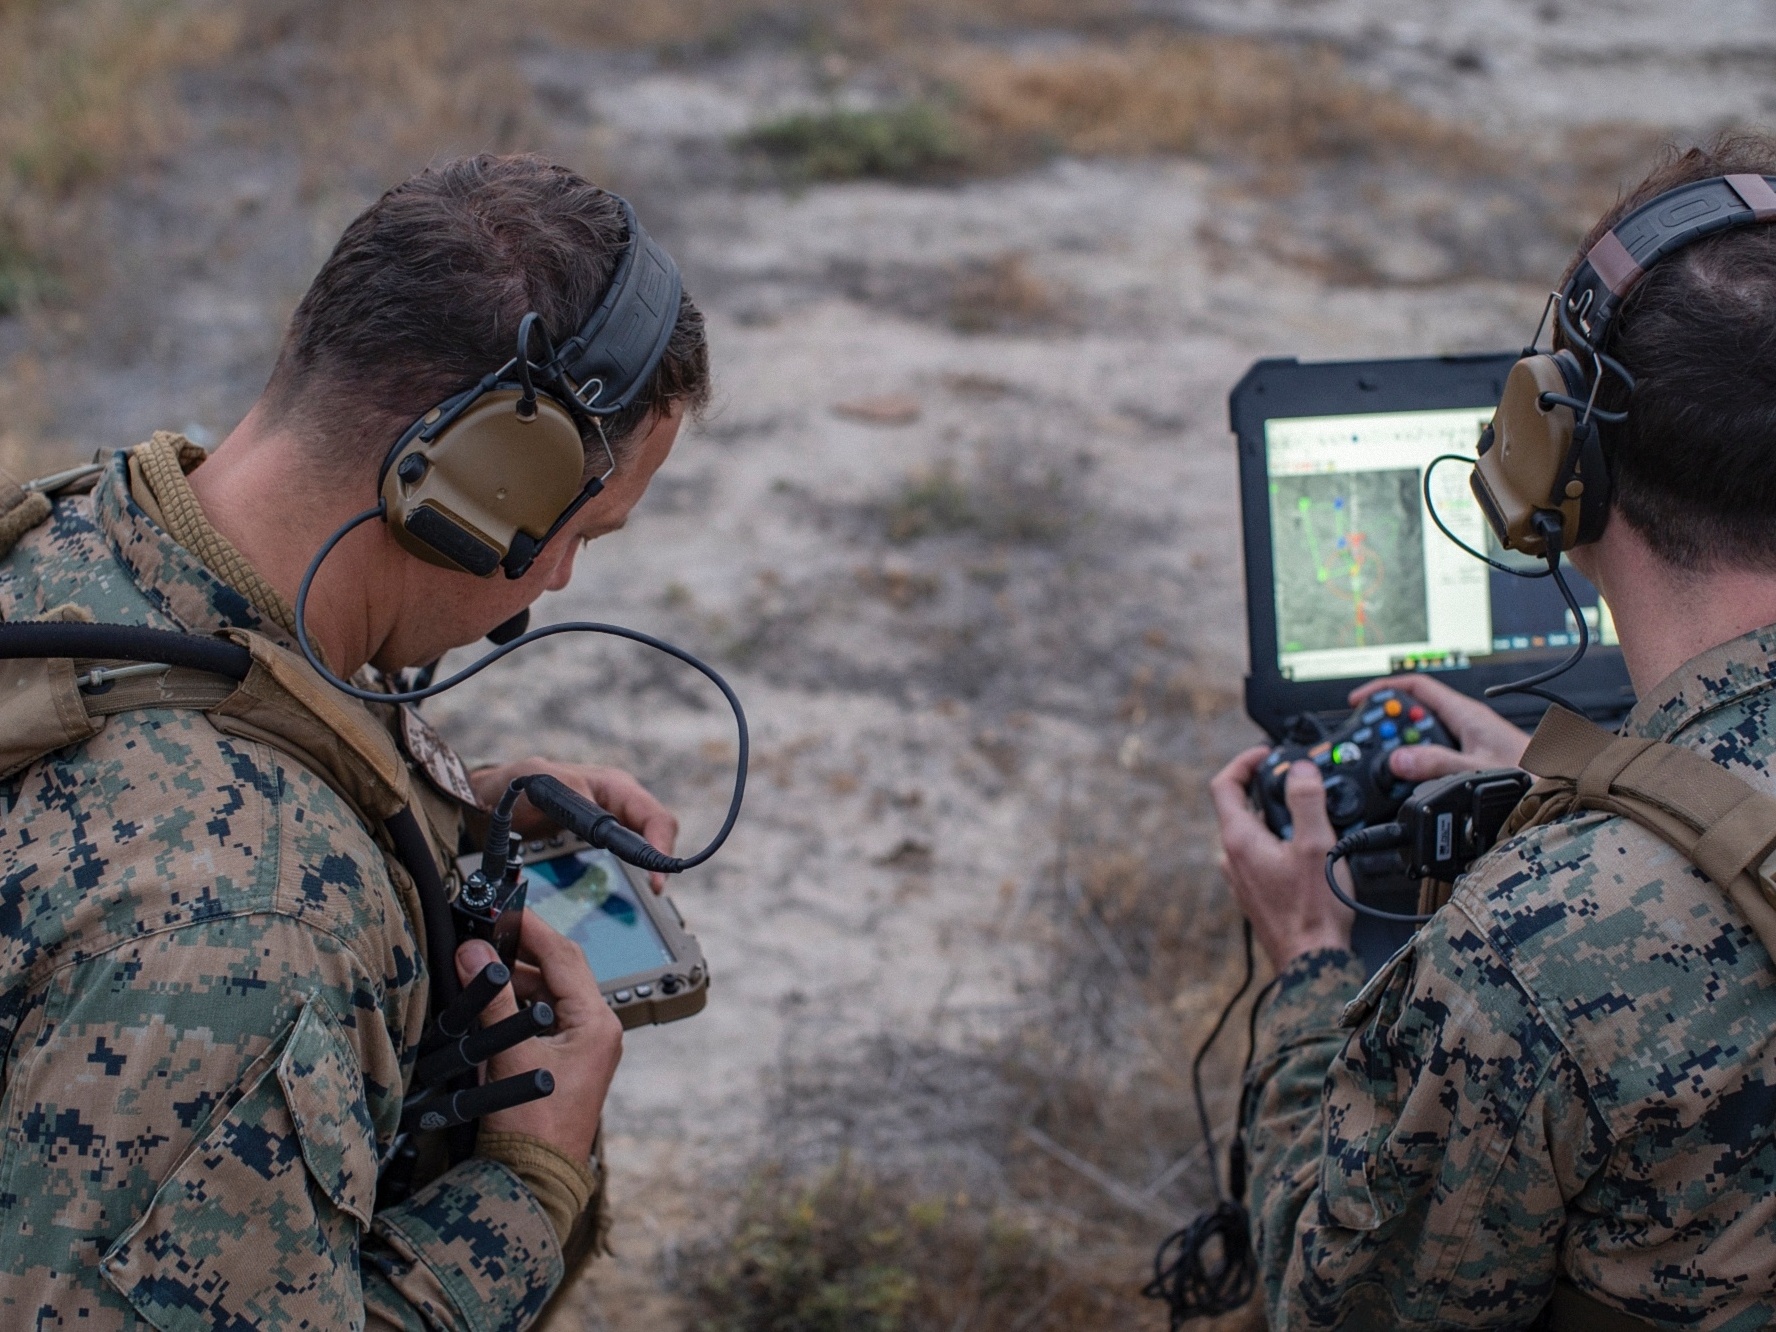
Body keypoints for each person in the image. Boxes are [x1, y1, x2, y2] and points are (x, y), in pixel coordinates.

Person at [0, 154, 711, 1329]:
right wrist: (524, 1191)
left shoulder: (97, 543)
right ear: (483, 485)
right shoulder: (246, 943)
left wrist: (437, 818)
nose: (572, 573)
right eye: (584, 529)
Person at [1211, 133, 1776, 1329]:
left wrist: (1310, 963)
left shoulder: (1529, 960)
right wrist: (1604, 802)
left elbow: (1340, 1310)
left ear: (1555, 457)